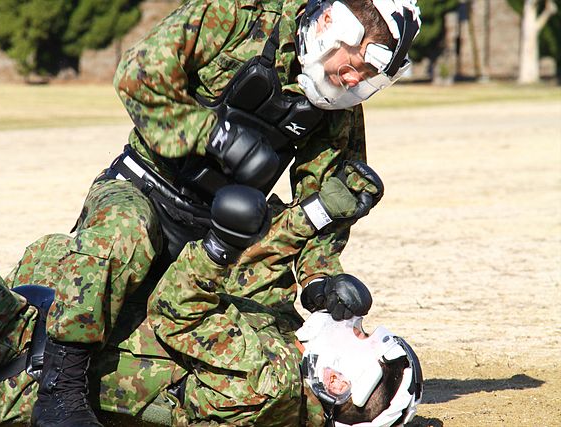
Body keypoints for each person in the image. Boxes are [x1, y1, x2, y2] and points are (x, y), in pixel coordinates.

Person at [31, 0, 422, 424]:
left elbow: (323, 201)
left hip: (226, 228)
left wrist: (319, 280)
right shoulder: (240, 15)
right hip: (143, 188)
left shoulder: (335, 105)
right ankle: (60, 390)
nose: (351, 81)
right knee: (127, 234)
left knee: (269, 317)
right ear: (332, 24)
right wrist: (215, 136)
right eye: (355, 65)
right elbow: (138, 75)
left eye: (366, 79)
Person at [0, 208, 423, 426]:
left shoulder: (267, 381)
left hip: (19, 360)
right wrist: (316, 217)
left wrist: (219, 247)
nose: (353, 323)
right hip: (43, 327)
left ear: (336, 380)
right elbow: (259, 281)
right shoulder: (287, 372)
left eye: (361, 335)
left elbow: (176, 309)